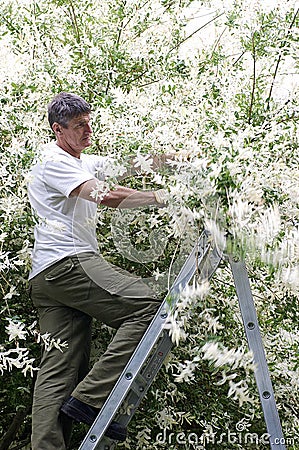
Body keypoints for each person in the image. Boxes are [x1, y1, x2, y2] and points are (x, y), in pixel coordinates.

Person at [27, 92, 166, 449]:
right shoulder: (53, 161)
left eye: (89, 123)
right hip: (68, 263)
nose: (88, 131)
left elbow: (133, 165)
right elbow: (103, 194)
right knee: (150, 307)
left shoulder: (81, 161)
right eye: (79, 126)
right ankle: (91, 399)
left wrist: (183, 161)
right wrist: (161, 198)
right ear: (58, 130)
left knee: (57, 371)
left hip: (48, 277)